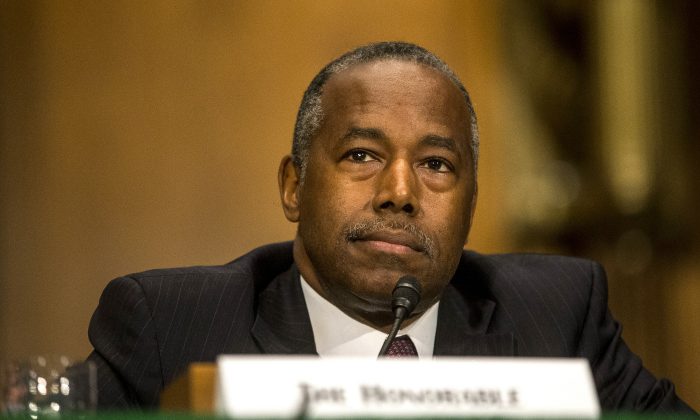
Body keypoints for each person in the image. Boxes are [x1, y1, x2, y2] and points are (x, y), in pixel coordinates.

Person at [87, 41, 695, 412]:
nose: (400, 193)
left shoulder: (559, 318)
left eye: (436, 165)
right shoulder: (170, 326)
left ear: (470, 207)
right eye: (362, 156)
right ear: (294, 187)